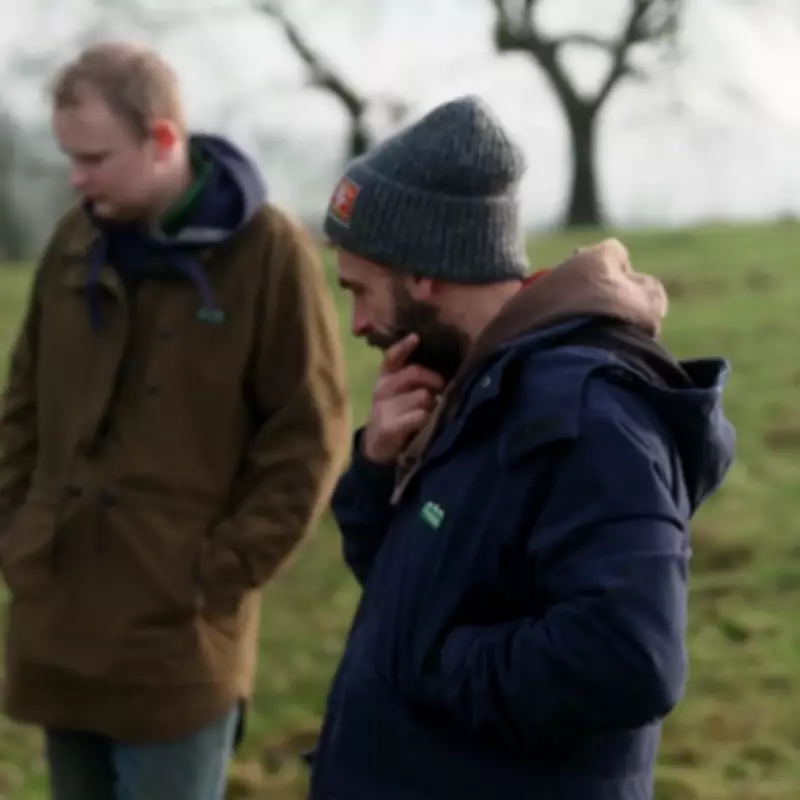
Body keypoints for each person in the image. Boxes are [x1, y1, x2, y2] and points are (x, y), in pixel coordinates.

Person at [309, 95, 736, 800]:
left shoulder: (586, 417)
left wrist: (438, 663)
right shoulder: (476, 389)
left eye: (361, 291)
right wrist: (379, 471)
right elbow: (418, 592)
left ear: (422, 272)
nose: (357, 324)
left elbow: (628, 658)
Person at [0, 41, 351, 800]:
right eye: (70, 157)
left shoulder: (270, 255)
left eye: (94, 157)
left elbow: (309, 437)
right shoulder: (72, 244)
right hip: (59, 618)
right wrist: (16, 533)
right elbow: (20, 409)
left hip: (178, 639)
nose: (76, 178)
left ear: (162, 139)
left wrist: (218, 576)